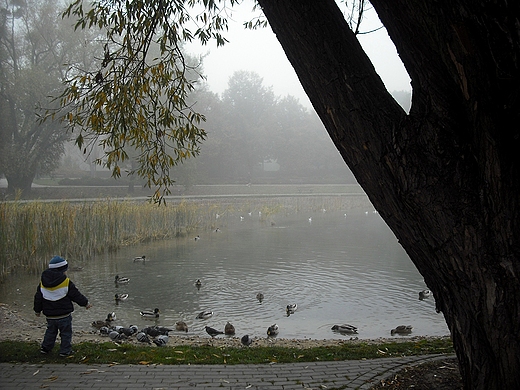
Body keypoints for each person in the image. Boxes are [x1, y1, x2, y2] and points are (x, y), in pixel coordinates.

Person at [33, 256, 92, 356]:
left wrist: (37, 310)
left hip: (50, 315)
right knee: (66, 333)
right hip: (64, 315)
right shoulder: (66, 282)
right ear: (62, 270)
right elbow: (76, 295)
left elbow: (38, 298)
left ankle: (45, 348)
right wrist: (85, 303)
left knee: (50, 332)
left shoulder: (43, 283)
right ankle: (65, 351)